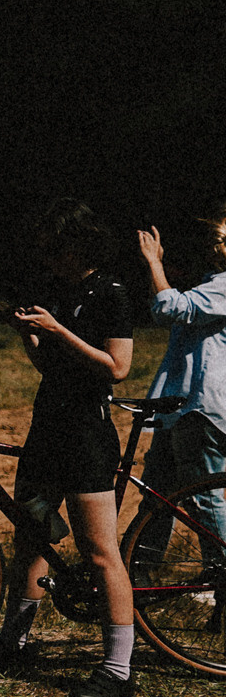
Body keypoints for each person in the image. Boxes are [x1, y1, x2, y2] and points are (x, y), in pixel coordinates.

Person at [0, 199, 138, 697]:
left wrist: (60, 331)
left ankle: (119, 670)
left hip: (86, 433)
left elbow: (116, 368)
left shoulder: (112, 293)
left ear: (80, 245)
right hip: (47, 425)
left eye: (56, 249)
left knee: (100, 552)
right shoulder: (62, 291)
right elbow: (52, 368)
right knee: (32, 537)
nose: (48, 259)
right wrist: (30, 336)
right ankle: (14, 640)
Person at [135, 201, 226, 567]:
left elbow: (171, 308)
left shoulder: (223, 288)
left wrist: (155, 264)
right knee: (156, 496)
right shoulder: (211, 285)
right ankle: (140, 577)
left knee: (205, 500)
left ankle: (221, 580)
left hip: (200, 410)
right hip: (180, 408)